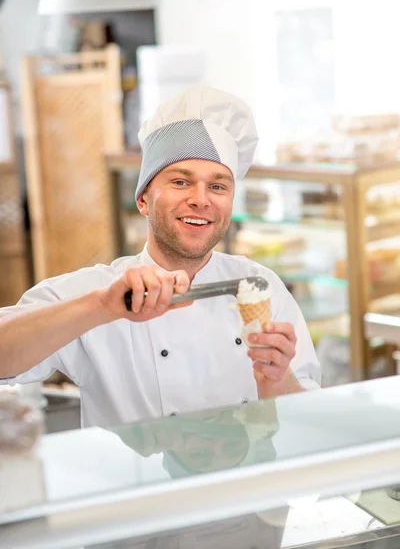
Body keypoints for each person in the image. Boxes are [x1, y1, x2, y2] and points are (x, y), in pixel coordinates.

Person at [0, 86, 320, 428]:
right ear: (143, 199)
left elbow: (310, 422)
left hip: (245, 480)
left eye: (217, 186)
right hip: (136, 482)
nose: (201, 199)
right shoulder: (99, 291)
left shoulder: (261, 287)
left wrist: (276, 379)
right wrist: (103, 307)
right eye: (181, 182)